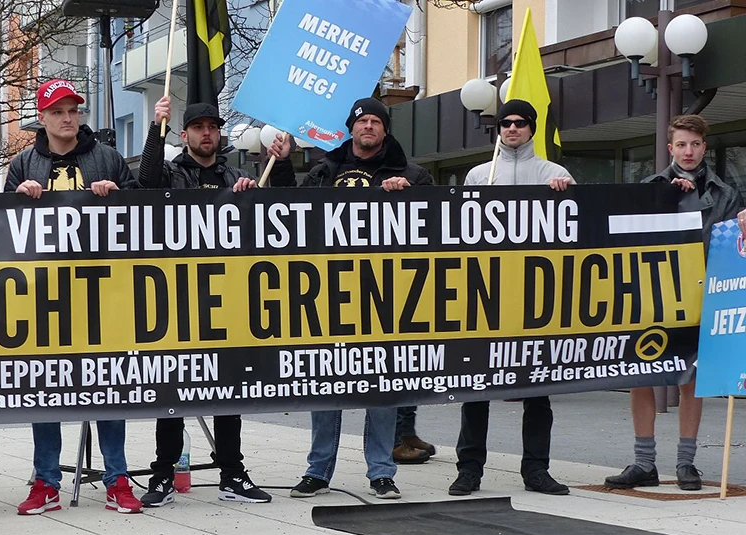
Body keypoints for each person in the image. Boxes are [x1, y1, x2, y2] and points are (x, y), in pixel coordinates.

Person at [268, 96, 433, 499]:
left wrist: (407, 195)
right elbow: (291, 212)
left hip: (385, 296)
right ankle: (318, 471)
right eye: (363, 121)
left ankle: (381, 472)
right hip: (329, 295)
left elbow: (432, 227)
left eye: (377, 122)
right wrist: (285, 162)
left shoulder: (413, 174)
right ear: (351, 128)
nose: (369, 127)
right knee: (326, 386)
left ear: (385, 130)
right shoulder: (326, 171)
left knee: (382, 388)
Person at [5, 79, 142, 515]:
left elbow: (143, 213)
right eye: (59, 111)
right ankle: (46, 481)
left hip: (103, 287)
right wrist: (17, 199)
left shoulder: (107, 156)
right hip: (45, 293)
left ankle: (117, 478)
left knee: (106, 383)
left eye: (74, 110)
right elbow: (2, 231)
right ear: (42, 119)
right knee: (45, 386)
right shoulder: (23, 163)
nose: (68, 118)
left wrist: (118, 196)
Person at [135, 96, 271, 506]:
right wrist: (155, 130)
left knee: (229, 391)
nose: (206, 133)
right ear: (185, 134)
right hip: (178, 300)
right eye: (198, 127)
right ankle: (163, 474)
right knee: (173, 393)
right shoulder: (171, 174)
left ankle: (232, 473)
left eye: (212, 126)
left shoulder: (236, 175)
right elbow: (144, 183)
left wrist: (257, 189)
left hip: (227, 301)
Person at [606, 114, 740, 492]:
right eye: (681, 144)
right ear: (670, 149)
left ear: (704, 147)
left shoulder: (726, 194)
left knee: (691, 379)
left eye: (695, 144)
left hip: (700, 297)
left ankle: (686, 464)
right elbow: (631, 241)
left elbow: (726, 247)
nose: (689, 151)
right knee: (641, 375)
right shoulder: (650, 187)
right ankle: (644, 462)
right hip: (653, 295)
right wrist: (670, 198)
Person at [449, 99, 574, 497]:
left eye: (521, 123)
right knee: (476, 388)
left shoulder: (555, 174)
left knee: (538, 388)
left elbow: (578, 232)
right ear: (498, 129)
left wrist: (565, 196)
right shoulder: (478, 176)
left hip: (537, 299)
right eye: (506, 123)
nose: (513, 129)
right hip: (487, 296)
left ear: (532, 128)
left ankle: (536, 470)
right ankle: (469, 469)